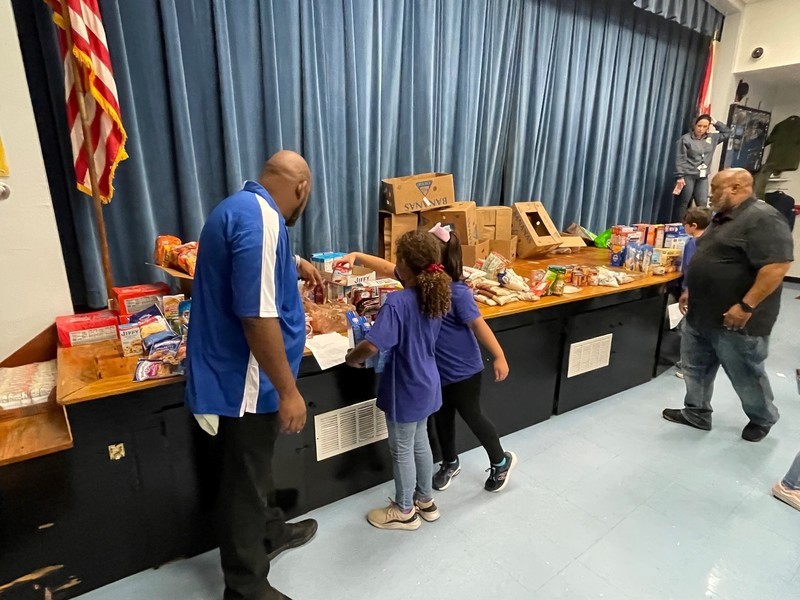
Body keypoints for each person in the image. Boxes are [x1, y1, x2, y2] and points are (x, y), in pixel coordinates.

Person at [186, 151, 323, 600]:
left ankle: (270, 533)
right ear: (301, 189)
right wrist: (289, 391)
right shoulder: (262, 219)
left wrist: (294, 261)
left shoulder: (240, 207)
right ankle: (245, 587)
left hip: (233, 373)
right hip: (243, 383)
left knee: (255, 470)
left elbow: (248, 262)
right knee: (243, 484)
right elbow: (256, 316)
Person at [337, 225, 517, 493]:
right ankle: (450, 461)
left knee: (472, 414)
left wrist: (499, 355)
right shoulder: (418, 284)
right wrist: (356, 256)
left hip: (464, 370)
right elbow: (388, 268)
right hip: (434, 371)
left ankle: (500, 460)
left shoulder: (456, 291)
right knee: (441, 417)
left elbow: (479, 326)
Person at [663, 168, 794, 442]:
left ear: (736, 187)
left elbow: (777, 267)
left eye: (715, 188)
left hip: (737, 320)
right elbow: (710, 257)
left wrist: (746, 306)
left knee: (745, 374)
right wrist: (690, 290)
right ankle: (696, 412)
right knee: (695, 367)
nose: (709, 195)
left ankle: (762, 418)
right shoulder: (722, 218)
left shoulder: (764, 218)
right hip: (701, 313)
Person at [345, 231, 451, 530]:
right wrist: (357, 256)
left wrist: (354, 358)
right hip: (428, 381)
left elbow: (374, 344)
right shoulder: (435, 292)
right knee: (420, 441)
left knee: (401, 449)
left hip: (406, 384)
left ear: (405, 264)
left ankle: (404, 509)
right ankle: (425, 500)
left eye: (397, 260)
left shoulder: (398, 302)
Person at [675, 206, 712, 379]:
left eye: (685, 224)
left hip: (692, 292)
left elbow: (690, 267)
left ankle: (687, 366)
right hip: (707, 294)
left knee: (689, 331)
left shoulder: (692, 243)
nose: (684, 227)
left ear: (693, 226)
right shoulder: (712, 239)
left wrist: (687, 289)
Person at [674, 114, 732, 219]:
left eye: (705, 127)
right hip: (688, 175)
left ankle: (702, 227)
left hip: (702, 176)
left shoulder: (712, 138)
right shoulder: (685, 139)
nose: (701, 129)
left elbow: (727, 132)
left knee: (702, 202)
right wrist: (680, 176)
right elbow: (680, 158)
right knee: (684, 203)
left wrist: (716, 123)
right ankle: (680, 226)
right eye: (699, 126)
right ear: (694, 125)